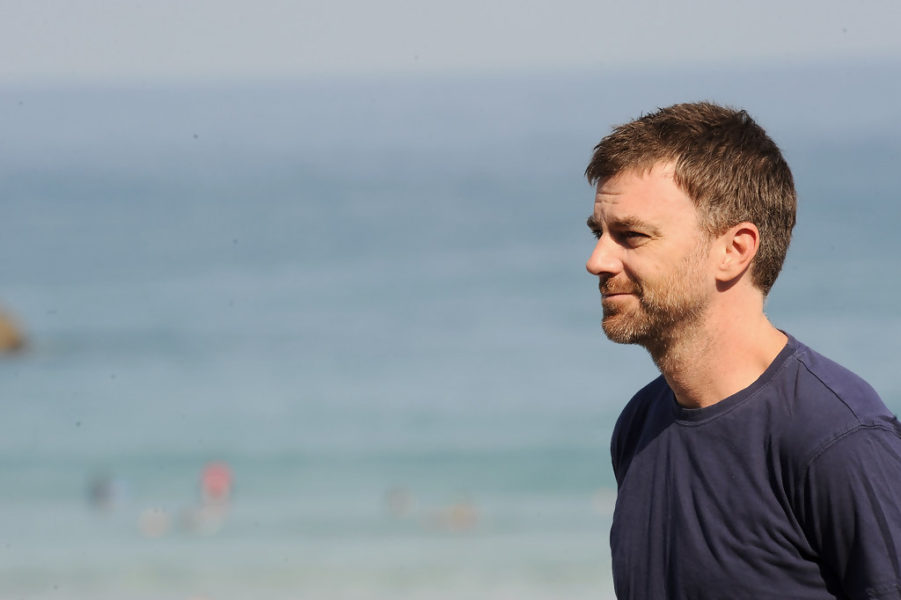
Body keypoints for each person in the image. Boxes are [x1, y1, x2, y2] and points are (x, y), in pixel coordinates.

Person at [584, 102, 901, 599]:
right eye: (599, 233)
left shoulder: (837, 439)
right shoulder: (639, 425)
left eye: (632, 236)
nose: (597, 260)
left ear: (734, 250)